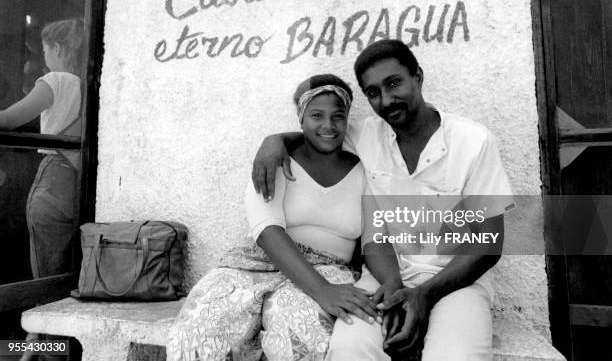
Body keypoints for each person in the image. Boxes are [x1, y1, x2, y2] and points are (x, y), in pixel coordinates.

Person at [251, 40, 514, 360]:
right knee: (350, 350)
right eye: (373, 92)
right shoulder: (367, 135)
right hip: (384, 279)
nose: (386, 100)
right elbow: (319, 135)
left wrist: (423, 295)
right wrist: (274, 141)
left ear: (417, 77)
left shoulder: (473, 142)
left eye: (394, 83)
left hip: (456, 283)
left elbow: (488, 244)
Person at [167, 74, 381, 361]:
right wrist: (323, 291)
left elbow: (374, 240)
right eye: (316, 115)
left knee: (298, 327)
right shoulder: (275, 162)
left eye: (338, 117)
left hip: (329, 267)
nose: (328, 126)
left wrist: (333, 288)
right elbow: (267, 231)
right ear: (301, 118)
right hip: (255, 264)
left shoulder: (363, 171)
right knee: (203, 319)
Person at [0, 18, 83, 279]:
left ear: (57, 48)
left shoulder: (55, 80)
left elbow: (8, 120)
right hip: (76, 179)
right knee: (68, 270)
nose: (43, 55)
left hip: (53, 178)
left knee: (46, 273)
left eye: (44, 49)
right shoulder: (86, 83)